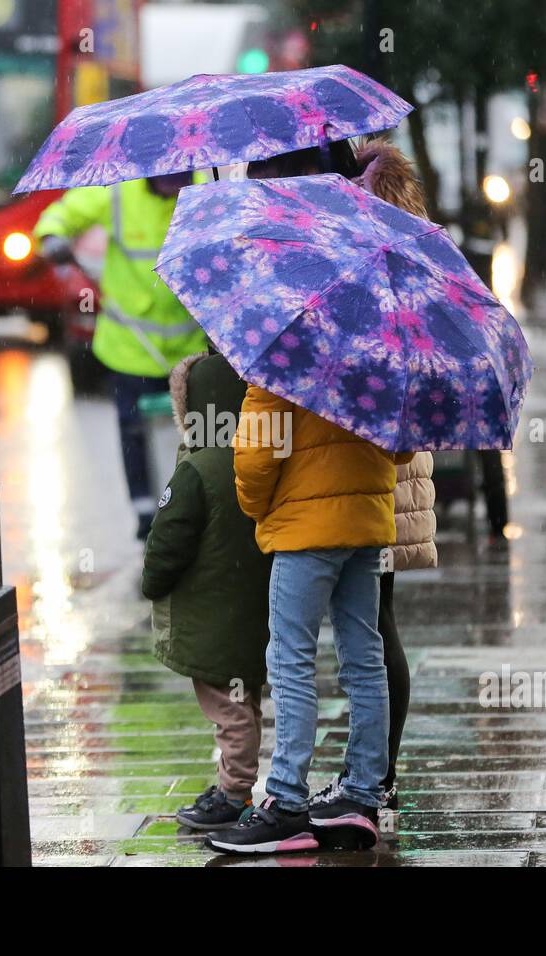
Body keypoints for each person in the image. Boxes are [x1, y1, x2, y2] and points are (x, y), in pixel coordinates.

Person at [203, 134, 413, 857]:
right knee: (363, 655)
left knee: (288, 657)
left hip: (301, 526)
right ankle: (359, 794)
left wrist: (258, 505)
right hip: (367, 518)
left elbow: (259, 451)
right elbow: (402, 439)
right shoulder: (379, 316)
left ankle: (286, 801)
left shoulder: (283, 323)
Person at [305, 140, 439, 825]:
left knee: (373, 623)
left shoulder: (373, 247)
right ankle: (373, 772)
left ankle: (375, 775)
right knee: (373, 621)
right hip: (377, 461)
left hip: (379, 461)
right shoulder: (391, 232)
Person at [35, 172, 209, 539]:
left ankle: (194, 512)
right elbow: (64, 212)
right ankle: (146, 516)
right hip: (130, 347)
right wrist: (52, 237)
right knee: (135, 433)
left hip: (190, 353)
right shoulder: (118, 194)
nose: (173, 182)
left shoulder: (204, 194)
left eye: (179, 176)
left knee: (201, 436)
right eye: (166, 177)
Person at [140, 350, 272, 831]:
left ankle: (234, 792)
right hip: (252, 611)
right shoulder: (258, 456)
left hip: (210, 619)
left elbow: (167, 541)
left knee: (228, 711)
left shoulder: (196, 470)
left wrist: (151, 582)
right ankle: (232, 785)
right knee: (245, 701)